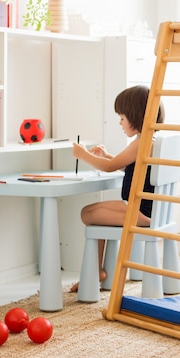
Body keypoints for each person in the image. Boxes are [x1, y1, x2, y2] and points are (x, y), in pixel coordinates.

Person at [69, 85, 164, 293]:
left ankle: (96, 271)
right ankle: (98, 270)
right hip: (149, 212)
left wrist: (83, 154)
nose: (120, 123)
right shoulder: (150, 141)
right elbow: (127, 165)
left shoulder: (141, 143)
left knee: (88, 213)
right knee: (97, 213)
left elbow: (111, 168)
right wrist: (107, 155)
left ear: (135, 116)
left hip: (140, 213)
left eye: (122, 117)